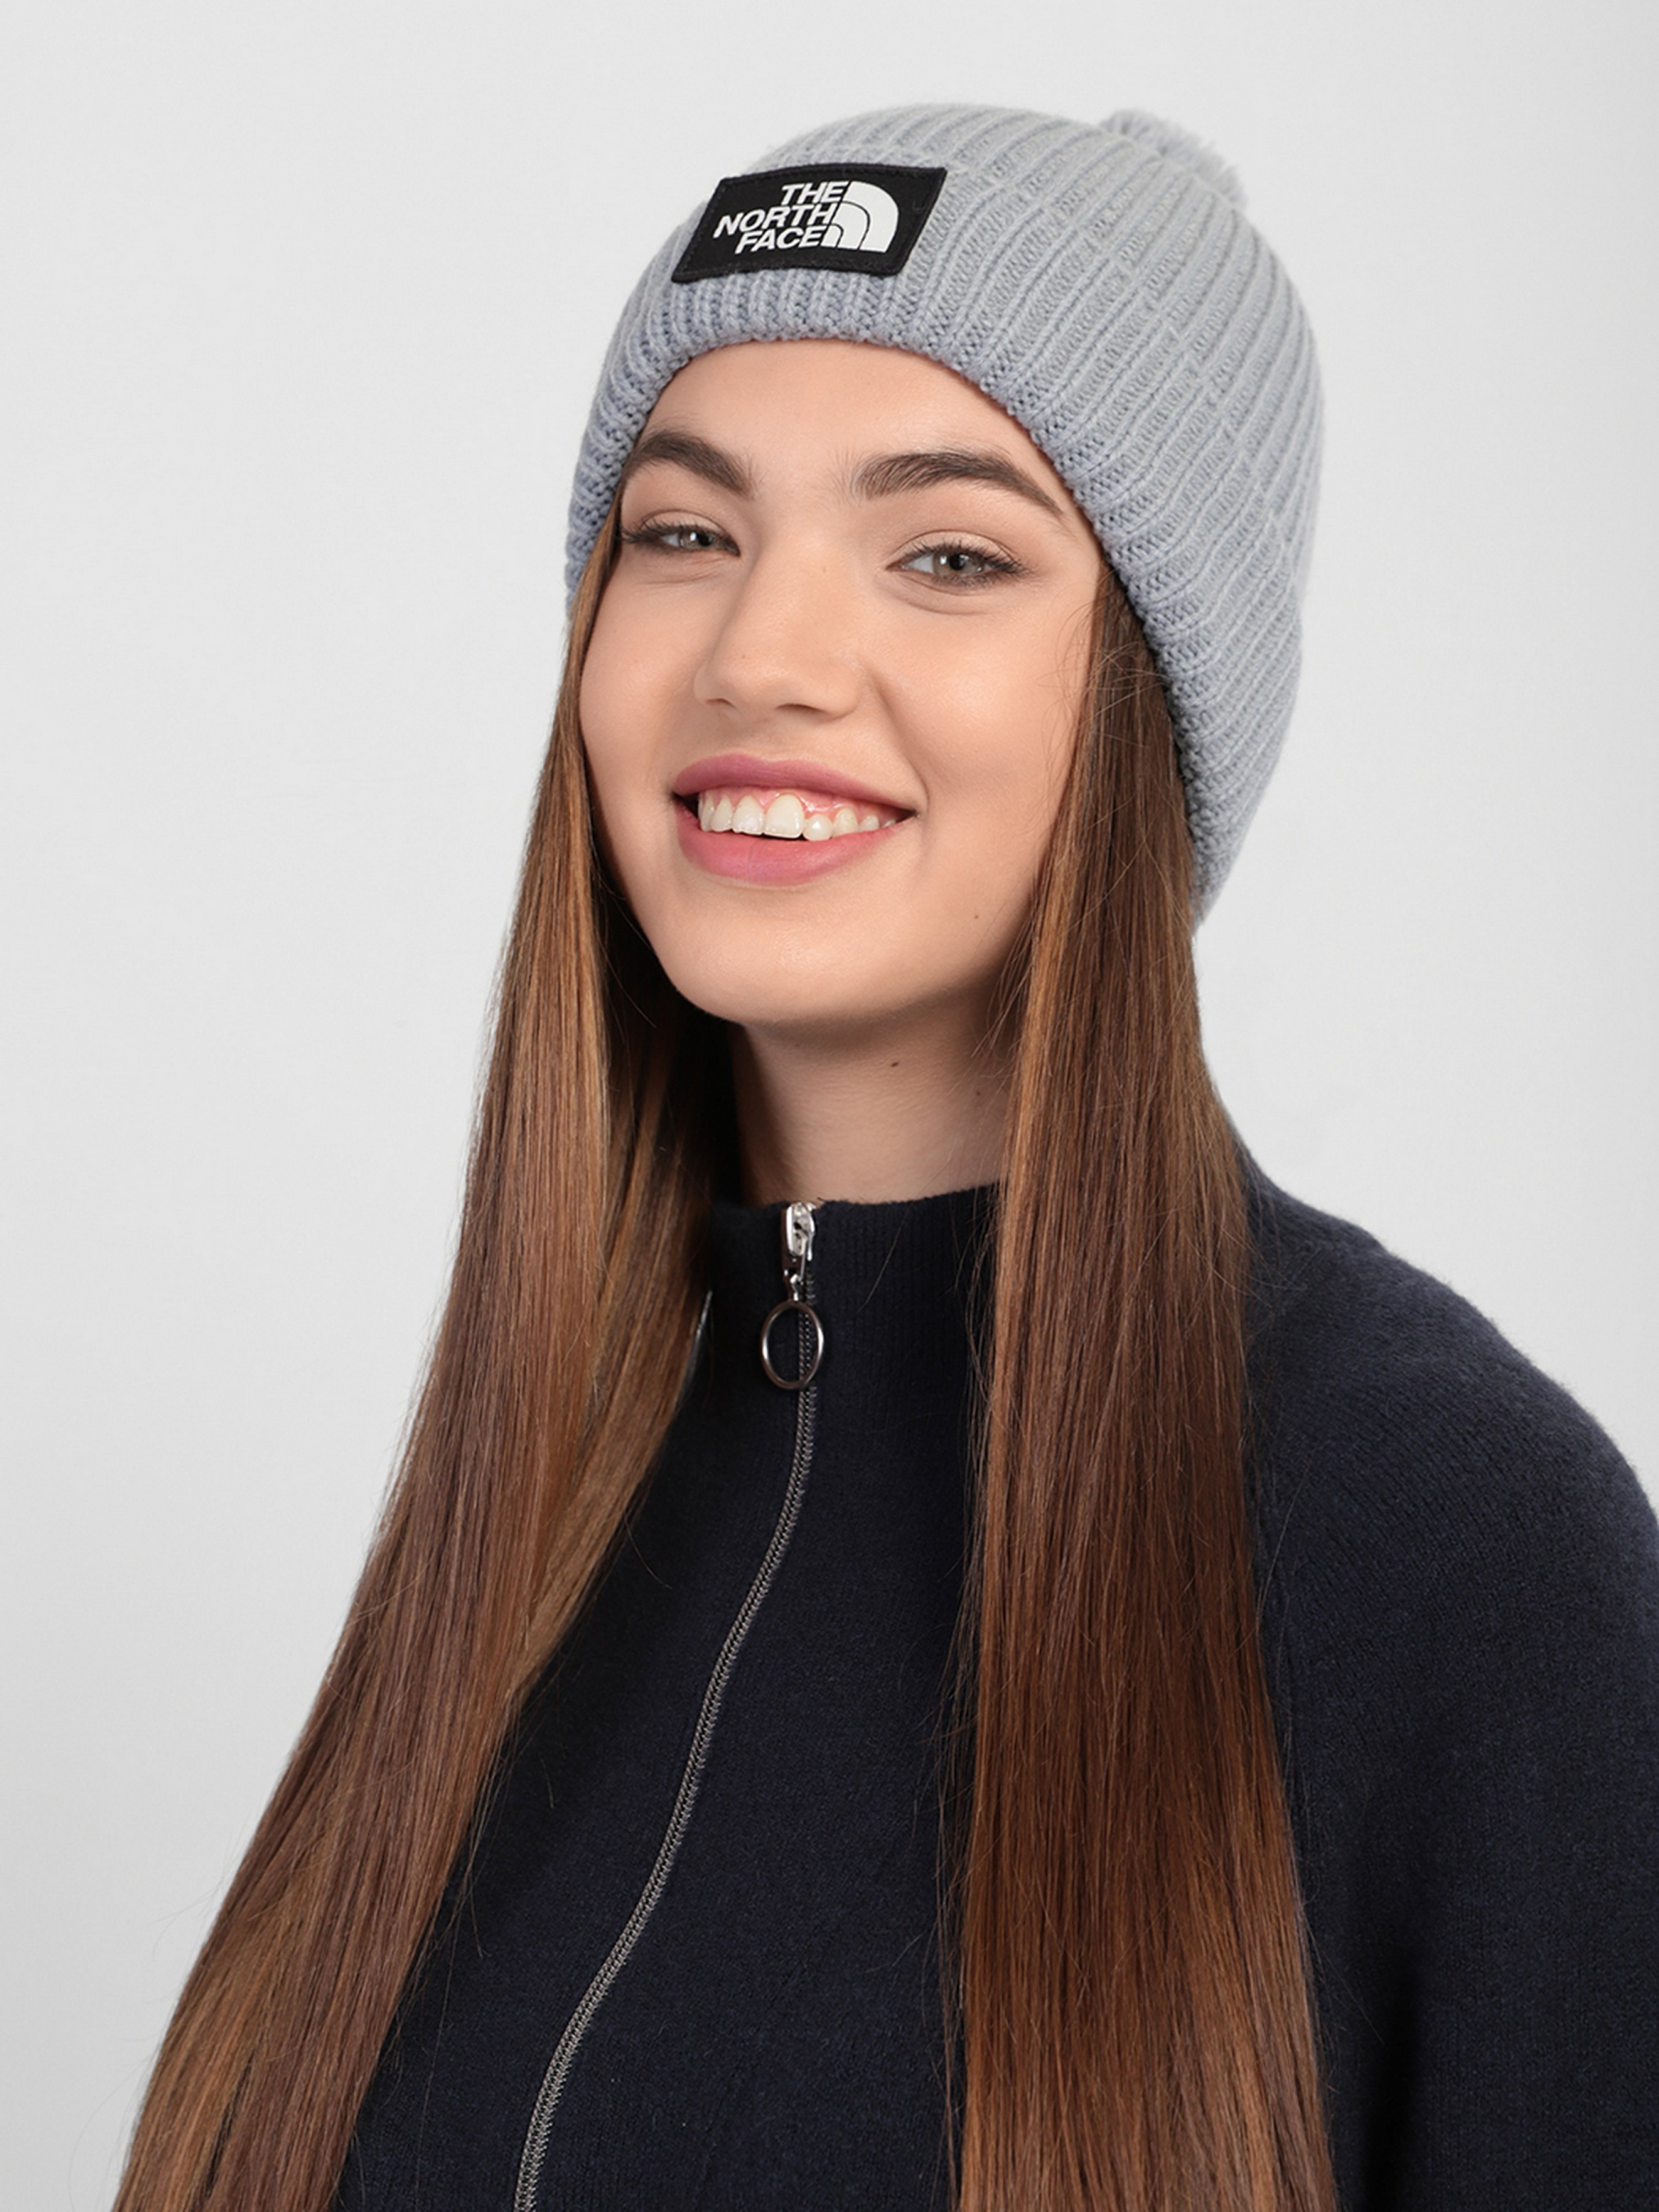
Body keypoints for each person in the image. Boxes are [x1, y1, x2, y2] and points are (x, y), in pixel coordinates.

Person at [115, 105, 1659, 2212]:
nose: (758, 655)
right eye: (682, 532)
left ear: (1146, 698)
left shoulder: (1459, 1546)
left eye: (947, 555)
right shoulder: (539, 1477)